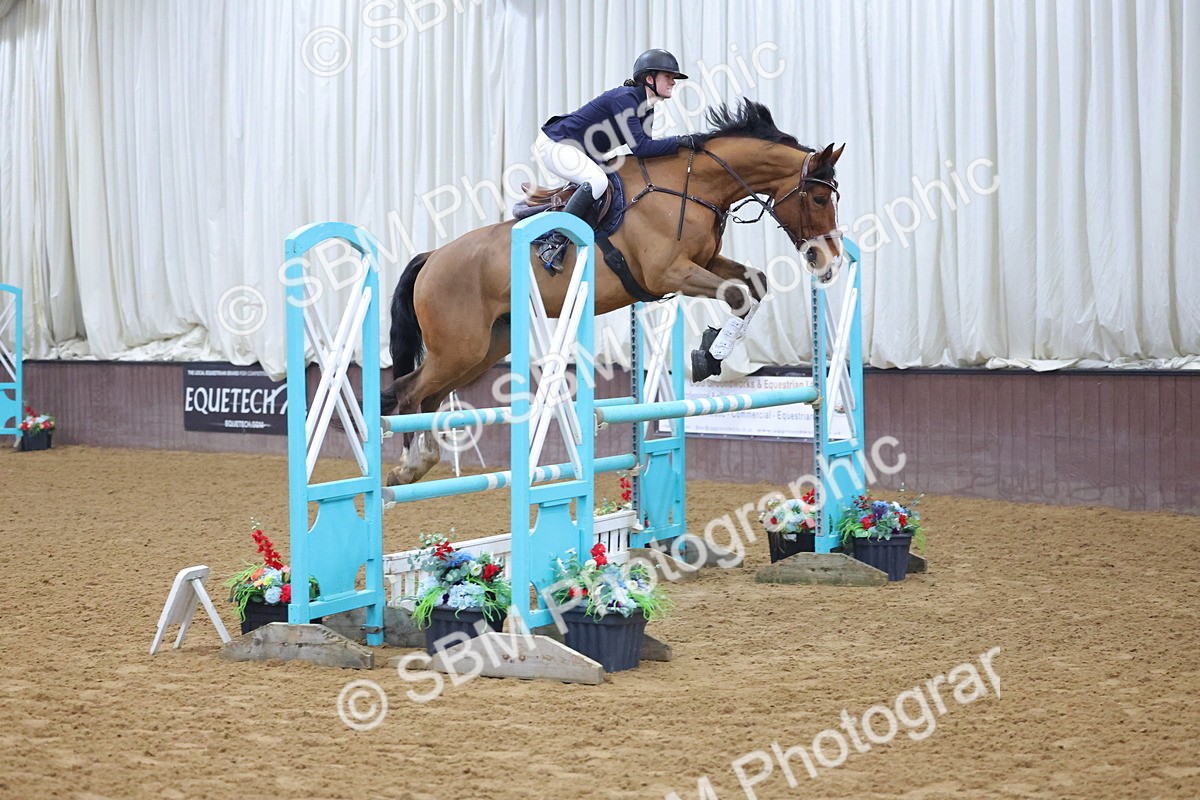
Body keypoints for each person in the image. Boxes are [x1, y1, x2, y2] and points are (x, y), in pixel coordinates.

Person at [534, 48, 700, 224]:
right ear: (649, 79)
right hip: (555, 144)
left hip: (579, 150)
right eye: (668, 76)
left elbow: (646, 151)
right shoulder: (625, 99)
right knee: (597, 181)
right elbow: (641, 148)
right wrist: (681, 141)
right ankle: (557, 236)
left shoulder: (647, 109)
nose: (673, 82)